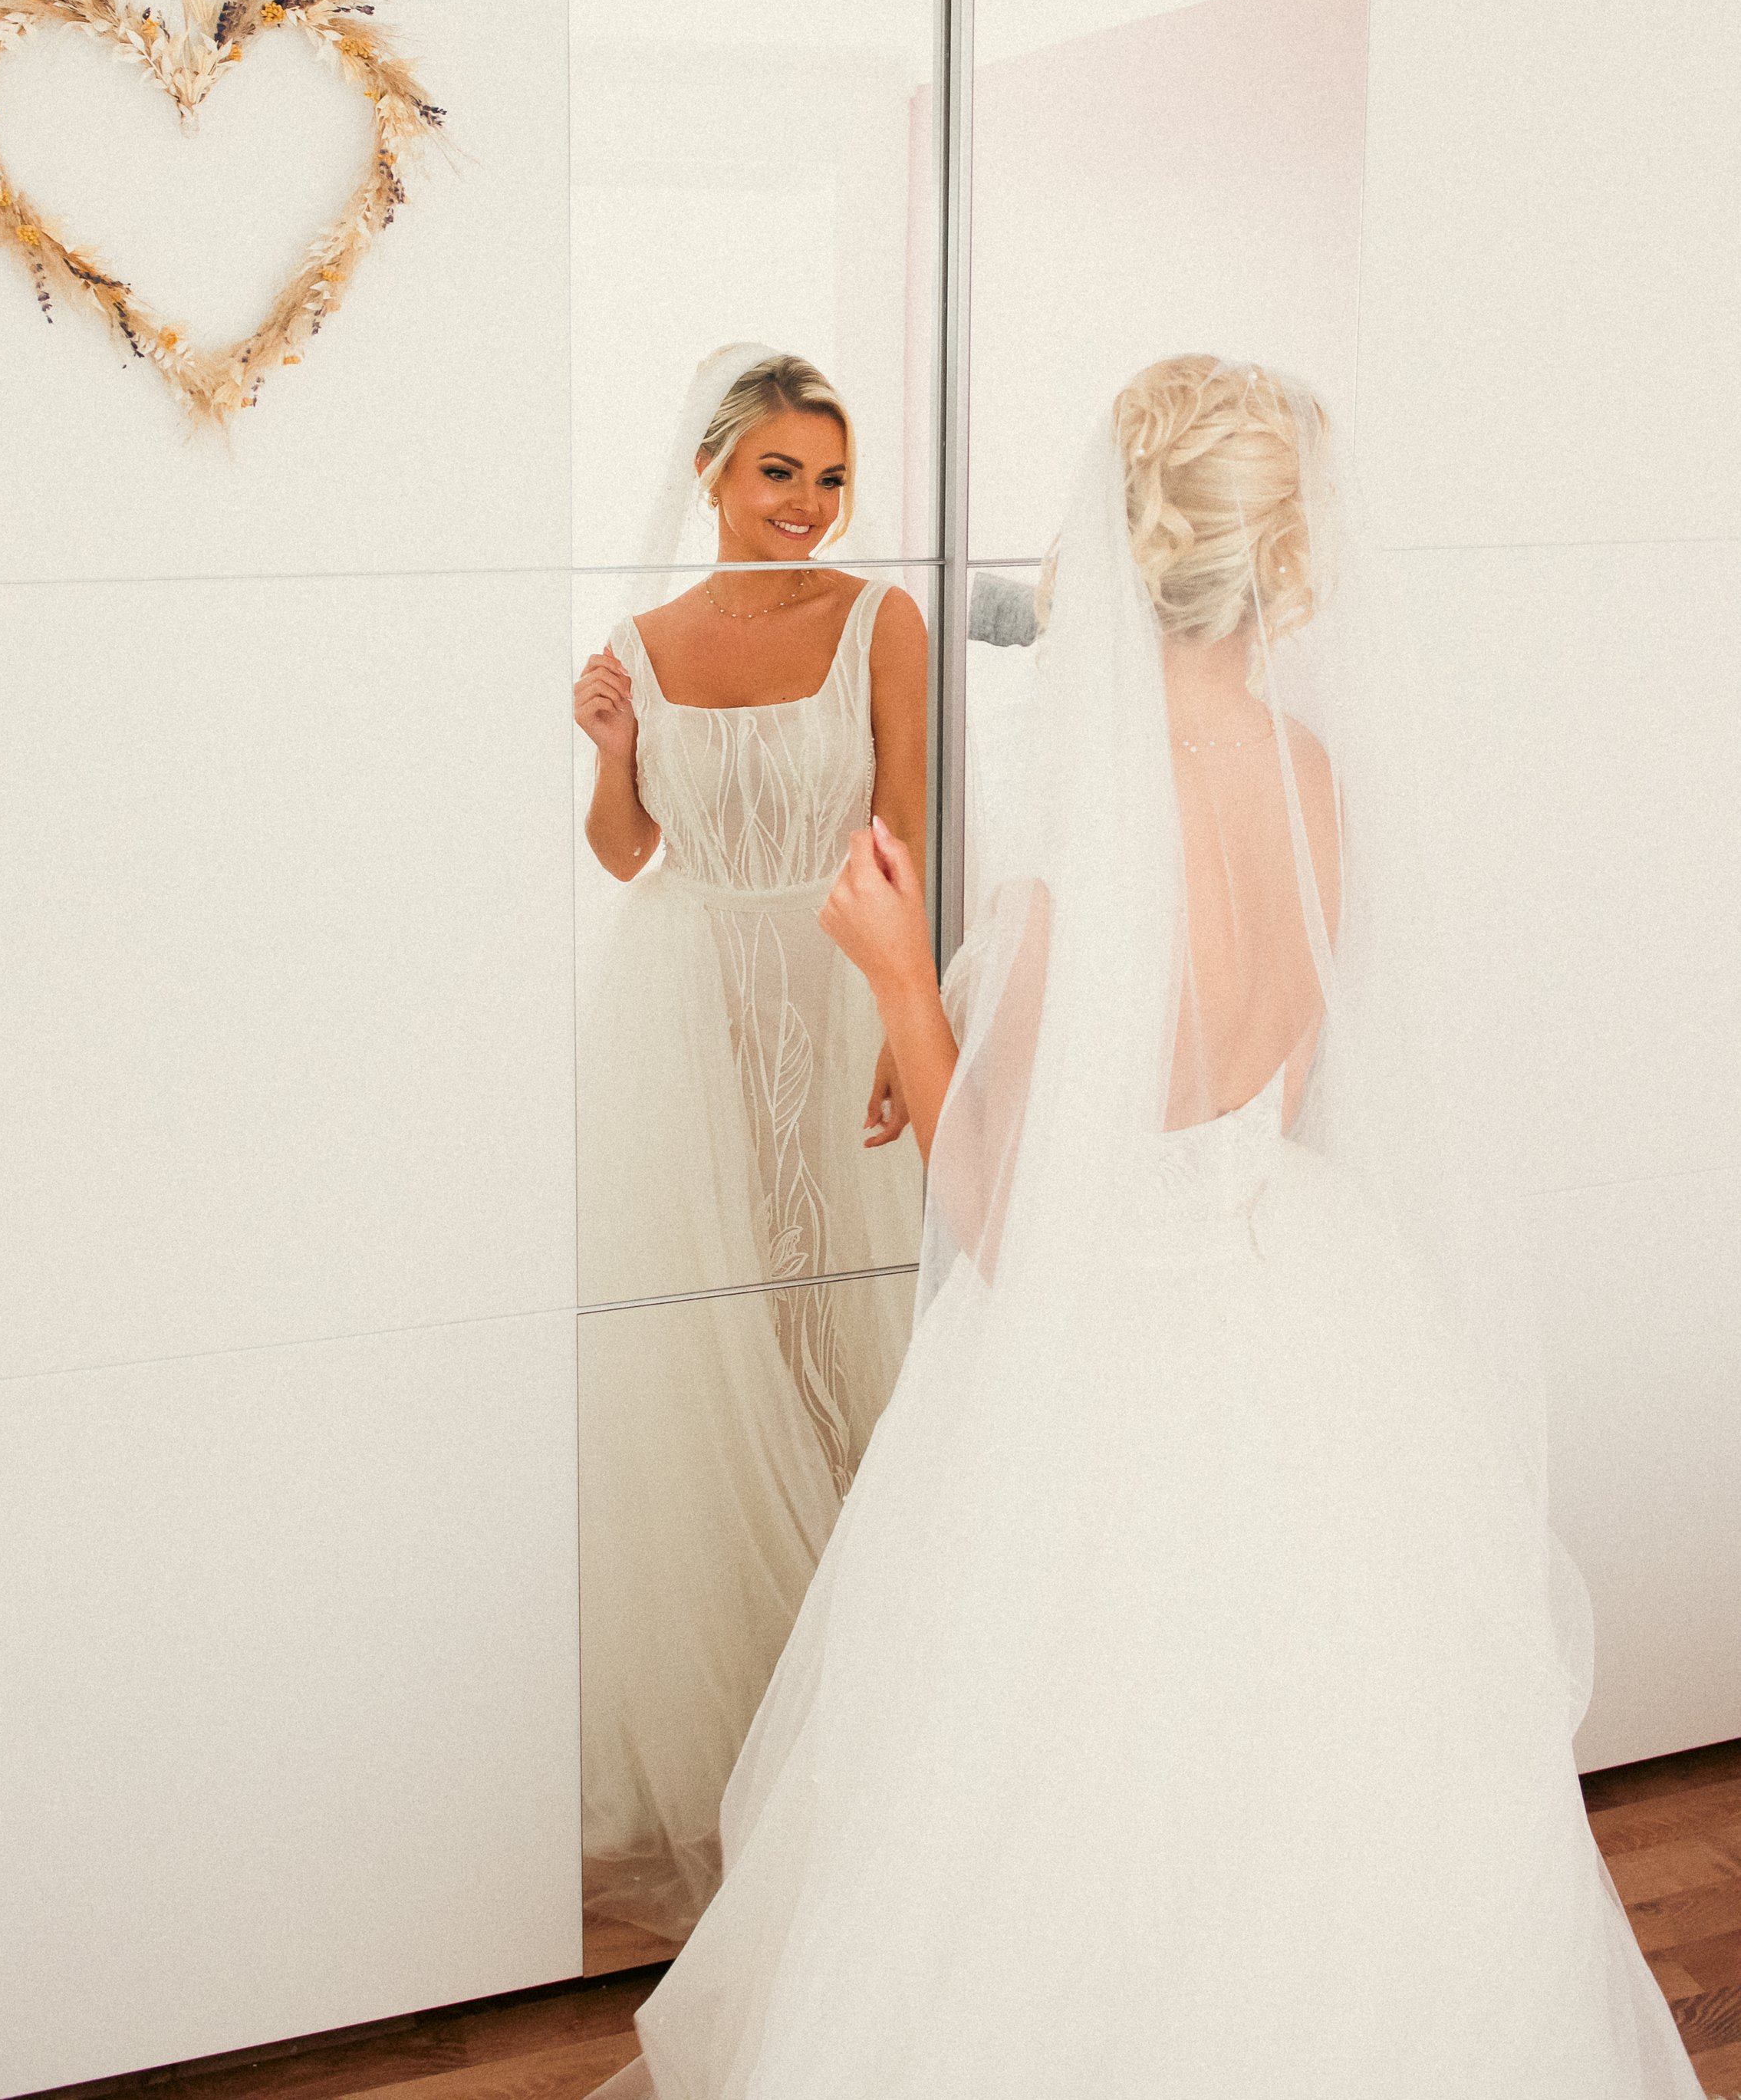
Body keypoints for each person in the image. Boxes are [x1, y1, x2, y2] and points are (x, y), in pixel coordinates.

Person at [597, 354, 1703, 2097]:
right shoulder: (1311, 773)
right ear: (1286, 564)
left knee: (1074, 1794)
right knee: (1328, 1777)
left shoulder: (1096, 836)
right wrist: (964, 1025)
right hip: (1291, 1284)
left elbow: (1010, 1218)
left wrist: (899, 984)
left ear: (1116, 555)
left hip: (1117, 1342)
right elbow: (1228, 1075)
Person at [573, 343, 929, 1946]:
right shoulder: (638, 643)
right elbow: (627, 850)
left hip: (839, 969)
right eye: (778, 470)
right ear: (712, 471)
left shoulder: (880, 620)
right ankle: (747, 1677)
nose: (807, 502)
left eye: (830, 475)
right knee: (721, 1327)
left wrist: (904, 1006)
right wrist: (602, 747)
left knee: (850, 1308)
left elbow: (905, 823)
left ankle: (876, 1687)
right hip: (687, 990)